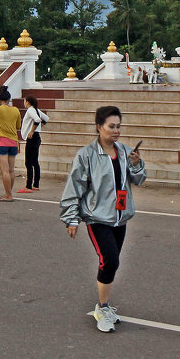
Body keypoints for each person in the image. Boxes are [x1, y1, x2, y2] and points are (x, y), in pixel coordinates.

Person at [59, 105, 146, 333]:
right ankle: (102, 307)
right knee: (110, 260)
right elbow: (75, 187)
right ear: (99, 127)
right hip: (97, 217)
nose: (116, 131)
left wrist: (136, 164)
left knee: (112, 261)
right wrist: (71, 218)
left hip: (120, 217)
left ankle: (105, 305)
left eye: (118, 126)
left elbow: (138, 180)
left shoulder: (125, 151)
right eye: (111, 126)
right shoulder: (86, 155)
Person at [18, 95, 50, 193]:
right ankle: (35, 184)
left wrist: (32, 130)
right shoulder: (36, 110)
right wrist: (38, 128)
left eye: (24, 101)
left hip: (32, 138)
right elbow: (46, 118)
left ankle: (28, 186)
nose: (24, 103)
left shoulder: (31, 110)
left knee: (28, 162)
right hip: (37, 137)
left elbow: (37, 120)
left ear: (27, 102)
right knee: (35, 161)